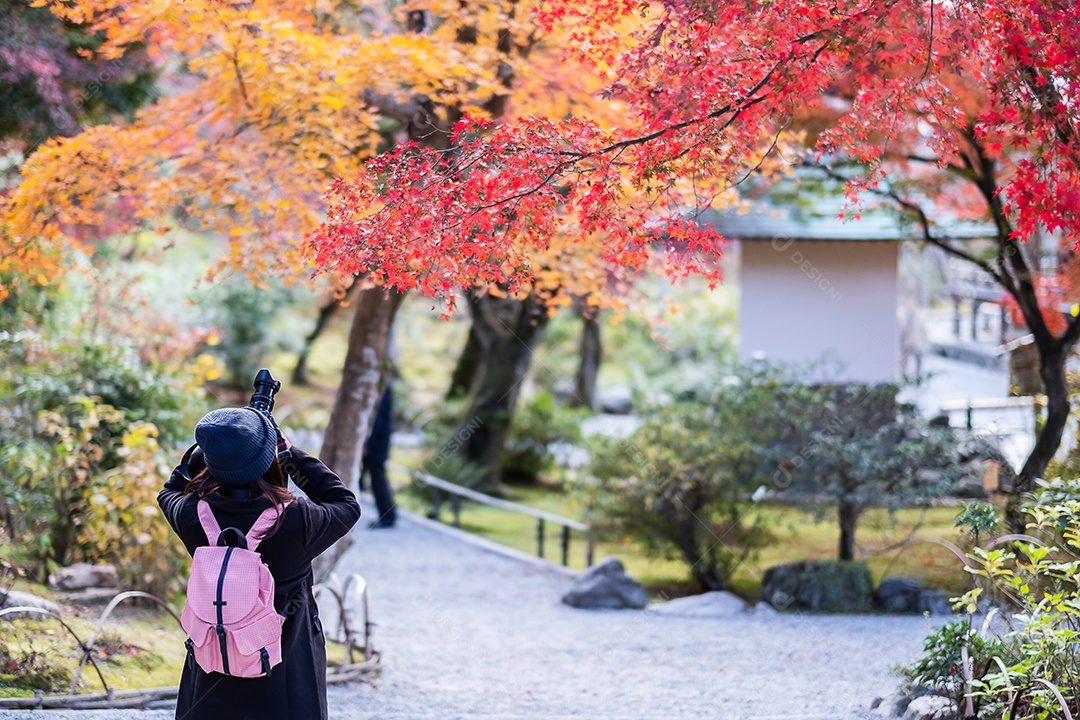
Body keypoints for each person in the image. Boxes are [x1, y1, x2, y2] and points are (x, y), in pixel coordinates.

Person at [158, 407, 361, 720]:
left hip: (210, 679)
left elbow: (170, 488)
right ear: (268, 457)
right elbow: (344, 503)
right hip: (283, 680)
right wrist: (289, 453)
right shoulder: (296, 521)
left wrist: (214, 447)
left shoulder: (191, 514)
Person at [361, 383, 397, 528]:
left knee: (378, 478)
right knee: (377, 476)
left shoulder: (381, 386)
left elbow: (379, 419)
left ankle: (388, 515)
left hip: (376, 443)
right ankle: (388, 514)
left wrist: (368, 443)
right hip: (379, 441)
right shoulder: (383, 384)